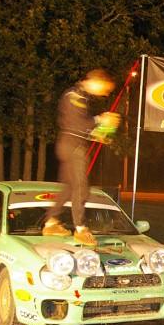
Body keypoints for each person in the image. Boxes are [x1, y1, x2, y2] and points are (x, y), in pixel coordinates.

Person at [43, 69, 118, 246]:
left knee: (69, 187)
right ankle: (81, 229)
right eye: (104, 89)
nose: (105, 93)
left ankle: (51, 222)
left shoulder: (81, 97)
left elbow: (80, 126)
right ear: (96, 82)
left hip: (70, 144)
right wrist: (100, 119)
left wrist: (100, 134)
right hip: (72, 146)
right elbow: (77, 125)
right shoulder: (74, 95)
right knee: (81, 188)